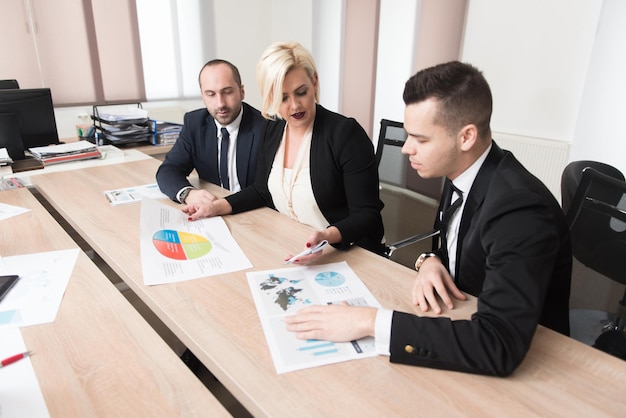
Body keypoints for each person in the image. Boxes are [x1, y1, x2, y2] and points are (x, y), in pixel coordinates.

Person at [284, 61, 572, 376]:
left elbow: (498, 344)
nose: (406, 149)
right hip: (457, 317)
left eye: (420, 139)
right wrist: (430, 260)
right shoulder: (463, 170)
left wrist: (369, 321)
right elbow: (456, 242)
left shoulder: (519, 209)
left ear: (465, 137)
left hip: (531, 366)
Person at [183, 41, 385, 258]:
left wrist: (327, 236)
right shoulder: (273, 128)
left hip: (348, 252)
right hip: (293, 248)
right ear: (269, 97)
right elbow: (261, 190)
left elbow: (367, 215)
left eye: (301, 92)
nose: (295, 106)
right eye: (283, 97)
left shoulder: (345, 134)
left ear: (314, 83)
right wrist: (217, 207)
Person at [156, 59, 266, 206]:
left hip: (252, 212)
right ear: (203, 96)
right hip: (212, 211)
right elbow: (169, 169)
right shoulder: (194, 123)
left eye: (227, 92)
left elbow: (266, 189)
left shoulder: (265, 127)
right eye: (211, 94)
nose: (220, 103)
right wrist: (188, 194)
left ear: (242, 92)